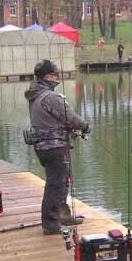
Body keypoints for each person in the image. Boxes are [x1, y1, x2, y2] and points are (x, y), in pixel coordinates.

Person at [24, 60, 89, 235]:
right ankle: (51, 223)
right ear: (47, 76)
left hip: (44, 146)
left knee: (61, 181)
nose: (56, 78)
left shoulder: (35, 95)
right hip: (55, 147)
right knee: (57, 184)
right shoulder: (50, 97)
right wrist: (85, 126)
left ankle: (63, 215)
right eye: (54, 75)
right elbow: (71, 118)